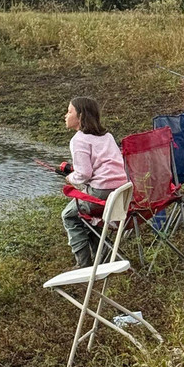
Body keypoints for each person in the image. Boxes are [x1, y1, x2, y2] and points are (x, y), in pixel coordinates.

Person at [61, 97, 127, 268]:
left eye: (70, 112)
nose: (65, 115)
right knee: (89, 216)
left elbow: (83, 174)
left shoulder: (78, 140)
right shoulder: (108, 136)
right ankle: (102, 254)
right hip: (122, 191)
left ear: (81, 117)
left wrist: (69, 178)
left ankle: (83, 264)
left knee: (69, 216)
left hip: (101, 193)